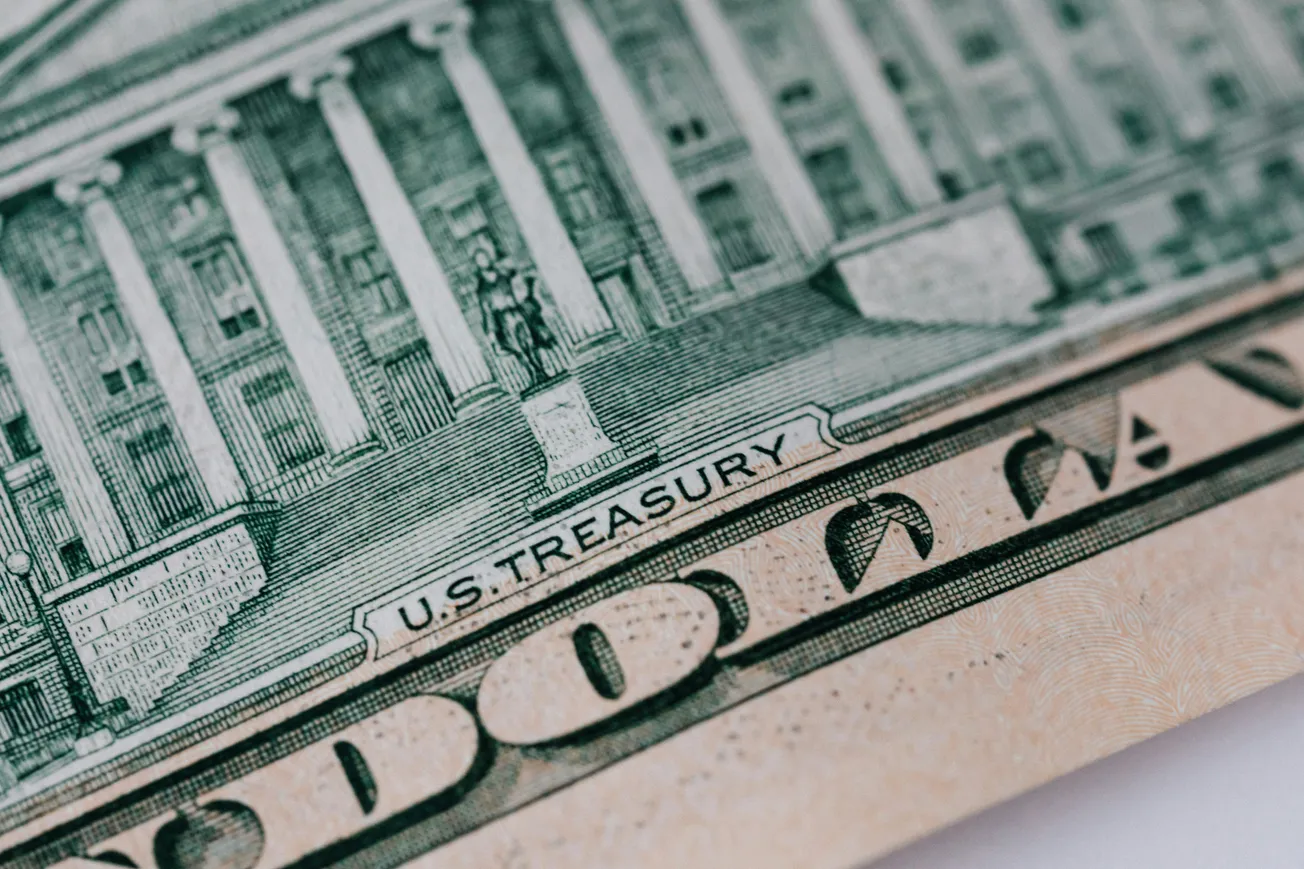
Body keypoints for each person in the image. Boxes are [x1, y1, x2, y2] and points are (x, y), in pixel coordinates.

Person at [473, 246, 557, 387]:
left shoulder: (503, 275)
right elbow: (487, 312)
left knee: (531, 342)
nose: (484, 261)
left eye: (485, 257)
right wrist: (492, 333)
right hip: (503, 319)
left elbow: (519, 281)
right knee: (519, 349)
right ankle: (534, 374)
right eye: (480, 259)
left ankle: (541, 370)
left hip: (517, 311)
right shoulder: (483, 290)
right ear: (477, 264)